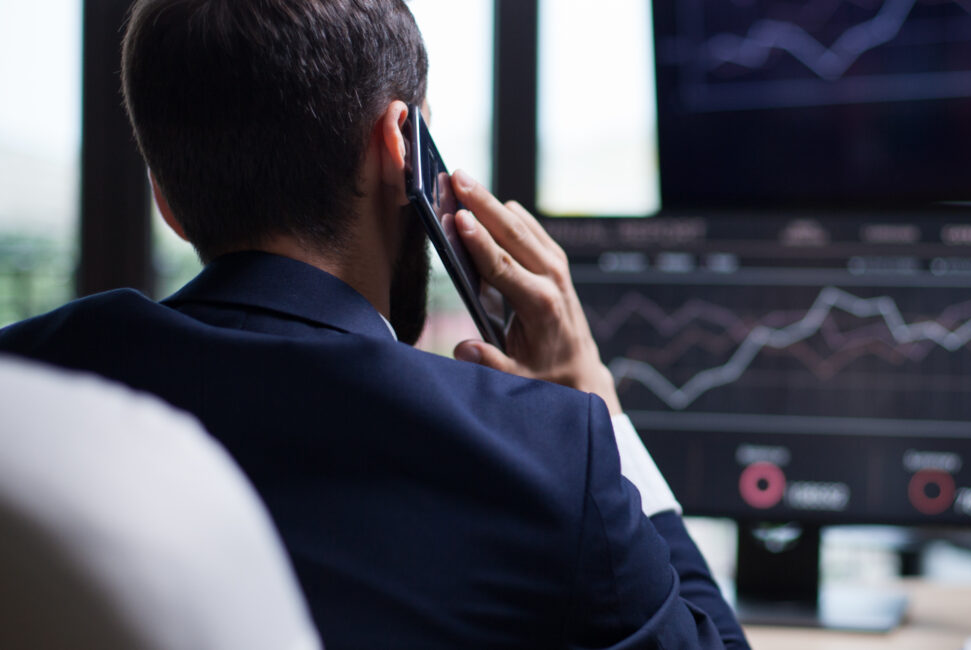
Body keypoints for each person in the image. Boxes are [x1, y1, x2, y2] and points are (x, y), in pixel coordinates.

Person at [0, 0, 749, 648]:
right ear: (402, 150)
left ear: (165, 196)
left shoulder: (25, 392)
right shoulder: (547, 452)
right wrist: (600, 406)